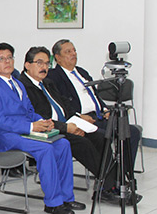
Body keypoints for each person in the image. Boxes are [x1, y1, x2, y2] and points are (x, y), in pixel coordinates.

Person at [0, 43, 83, 214]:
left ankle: (67, 197)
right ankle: (53, 202)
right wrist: (30, 127)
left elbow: (29, 111)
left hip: (24, 131)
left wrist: (42, 121)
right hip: (4, 136)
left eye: (10, 57)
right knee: (45, 148)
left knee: (63, 144)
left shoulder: (18, 84)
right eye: (1, 59)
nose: (7, 62)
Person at [21, 47, 120, 204]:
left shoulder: (47, 82)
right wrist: (67, 127)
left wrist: (77, 120)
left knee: (101, 137)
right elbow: (38, 117)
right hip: (49, 129)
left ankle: (108, 186)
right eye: (39, 63)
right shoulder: (23, 86)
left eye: (47, 63)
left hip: (68, 123)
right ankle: (111, 185)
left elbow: (65, 106)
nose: (44, 67)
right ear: (27, 65)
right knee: (83, 143)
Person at [47, 39, 141, 168]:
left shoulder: (82, 72)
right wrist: (79, 116)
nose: (73, 54)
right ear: (57, 57)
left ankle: (123, 172)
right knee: (103, 136)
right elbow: (62, 104)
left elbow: (95, 96)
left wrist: (105, 109)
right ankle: (107, 175)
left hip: (99, 116)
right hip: (81, 119)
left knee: (133, 131)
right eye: (68, 51)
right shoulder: (54, 76)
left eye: (74, 50)